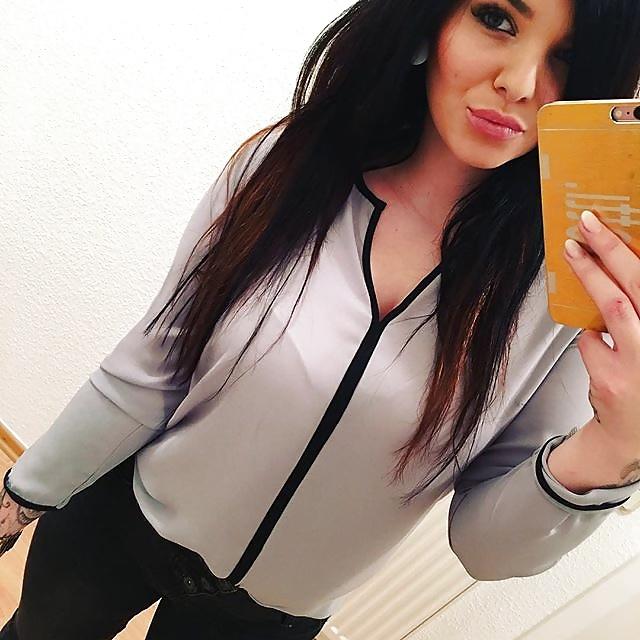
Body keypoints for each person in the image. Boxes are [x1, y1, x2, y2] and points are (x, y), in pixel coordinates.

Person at [3, 1, 640, 638]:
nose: (520, 82)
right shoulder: (289, 166)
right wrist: (20, 495)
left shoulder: (568, 290)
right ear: (430, 23)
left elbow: (484, 548)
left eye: (568, 56)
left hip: (269, 618)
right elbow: (152, 366)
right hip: (121, 520)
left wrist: (613, 449)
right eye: (497, 20)